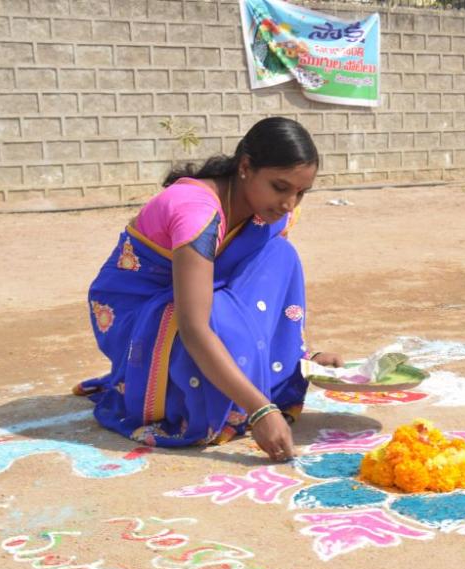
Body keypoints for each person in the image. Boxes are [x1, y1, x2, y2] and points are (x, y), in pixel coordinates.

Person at [75, 117, 343, 461]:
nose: (289, 203)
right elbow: (195, 325)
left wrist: (300, 356)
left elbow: (265, 290)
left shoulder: (269, 211)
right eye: (280, 187)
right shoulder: (197, 214)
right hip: (142, 311)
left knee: (279, 254)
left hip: (200, 299)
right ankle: (208, 393)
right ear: (245, 167)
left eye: (300, 192)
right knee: (219, 320)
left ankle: (280, 366)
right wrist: (260, 410)